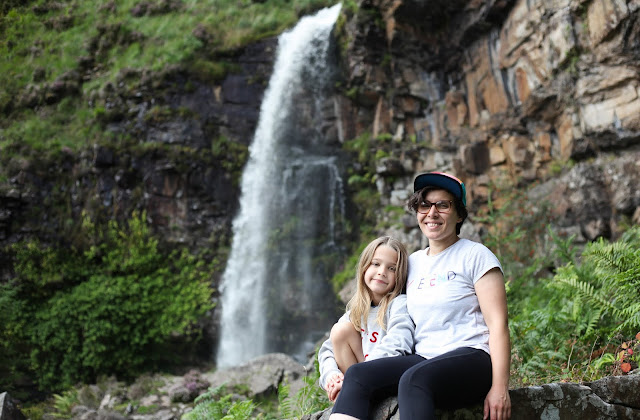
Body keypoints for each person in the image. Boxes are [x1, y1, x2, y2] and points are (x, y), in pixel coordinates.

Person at [329, 172, 511, 420]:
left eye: (443, 205)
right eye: (424, 205)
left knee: (414, 380)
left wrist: (499, 388)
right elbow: (373, 312)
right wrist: (332, 372)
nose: (432, 213)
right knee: (359, 375)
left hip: (473, 357)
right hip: (423, 359)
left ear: (459, 214)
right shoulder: (411, 263)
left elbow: (498, 324)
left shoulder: (476, 256)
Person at [318, 236, 414, 403]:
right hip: (360, 377)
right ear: (364, 267)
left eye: (392, 268)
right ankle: (349, 397)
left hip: (384, 377)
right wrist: (332, 376)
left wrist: (362, 373)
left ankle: (352, 396)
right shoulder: (356, 311)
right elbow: (327, 350)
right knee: (340, 331)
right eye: (376, 264)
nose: (382, 272)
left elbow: (399, 341)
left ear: (400, 275)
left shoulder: (398, 304)